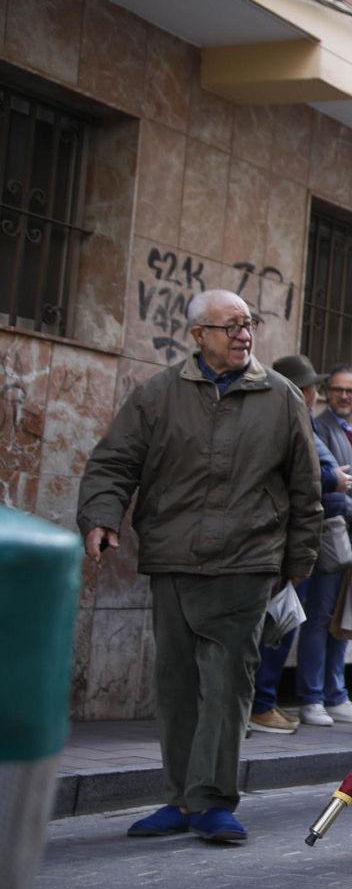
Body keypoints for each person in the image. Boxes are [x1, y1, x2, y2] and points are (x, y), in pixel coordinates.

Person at [77, 290, 321, 842]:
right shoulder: (159, 395)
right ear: (198, 335)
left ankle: (213, 801)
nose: (243, 334)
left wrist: (300, 559)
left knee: (227, 683)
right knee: (177, 685)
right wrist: (101, 516)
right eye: (230, 325)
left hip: (247, 563)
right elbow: (114, 461)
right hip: (174, 561)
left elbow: (307, 487)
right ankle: (182, 799)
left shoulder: (282, 397)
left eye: (249, 323)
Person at [250, 354, 352, 735]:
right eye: (313, 386)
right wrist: (334, 479)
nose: (317, 392)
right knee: (278, 624)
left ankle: (260, 702)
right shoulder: (289, 419)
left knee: (282, 621)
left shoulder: (297, 417)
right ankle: (260, 703)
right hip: (282, 539)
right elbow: (307, 470)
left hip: (294, 538)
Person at [301, 363, 352, 727]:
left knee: (345, 619)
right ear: (326, 392)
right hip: (331, 535)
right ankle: (311, 698)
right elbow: (325, 485)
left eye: (351, 390)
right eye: (337, 389)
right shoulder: (318, 427)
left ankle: (337, 695)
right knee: (319, 618)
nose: (344, 396)